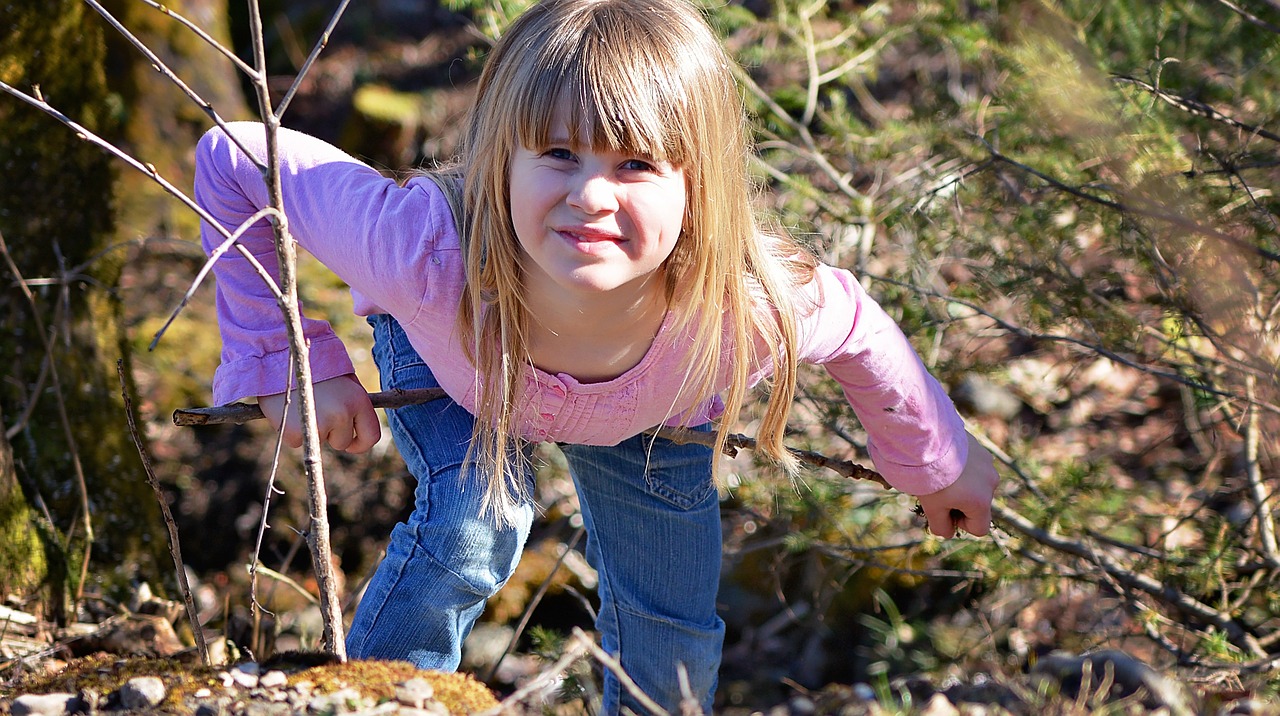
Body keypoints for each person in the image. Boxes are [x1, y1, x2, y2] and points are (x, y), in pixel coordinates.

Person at [195, 0, 1000, 711]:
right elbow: (236, 157)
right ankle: (384, 700)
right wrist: (293, 360)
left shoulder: (741, 309)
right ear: (499, 159)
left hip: (658, 400)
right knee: (478, 524)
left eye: (636, 164)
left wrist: (937, 462)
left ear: (699, 186)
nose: (590, 195)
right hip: (464, 352)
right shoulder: (420, 251)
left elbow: (859, 328)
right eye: (556, 155)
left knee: (674, 614)